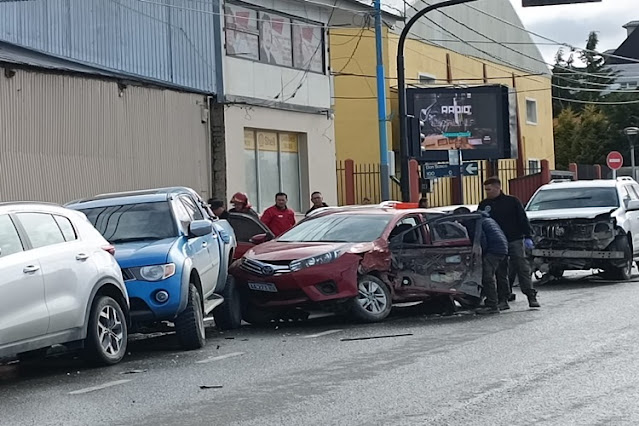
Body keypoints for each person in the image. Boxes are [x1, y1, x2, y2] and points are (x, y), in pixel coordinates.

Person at [478, 177, 540, 309]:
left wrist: (528, 236)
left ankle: (531, 296)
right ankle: (503, 299)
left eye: (489, 189)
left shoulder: (512, 201)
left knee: (521, 267)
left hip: (514, 239)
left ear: (497, 187)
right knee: (500, 272)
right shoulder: (484, 204)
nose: (487, 192)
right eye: (486, 190)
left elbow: (522, 218)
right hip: (496, 243)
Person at [454, 207, 508, 314]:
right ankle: (499, 300)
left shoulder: (471, 222)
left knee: (487, 276)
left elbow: (481, 239)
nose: (457, 222)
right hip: (502, 247)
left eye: (457, 218)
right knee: (499, 276)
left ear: (462, 216)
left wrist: (480, 254)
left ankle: (492, 305)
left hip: (493, 250)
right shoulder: (481, 218)